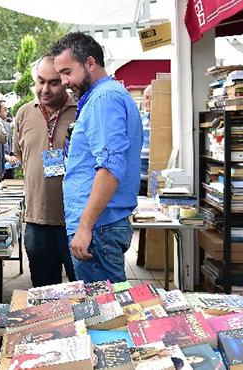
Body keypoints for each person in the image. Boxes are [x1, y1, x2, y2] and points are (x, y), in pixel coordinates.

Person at [50, 32, 142, 283]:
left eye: (68, 72)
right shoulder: (102, 96)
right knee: (103, 309)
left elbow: (110, 167)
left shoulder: (104, 98)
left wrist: (85, 226)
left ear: (90, 63)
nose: (64, 81)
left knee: (103, 314)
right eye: (61, 74)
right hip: (101, 226)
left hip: (99, 228)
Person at [12, 54, 77, 287]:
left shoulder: (80, 110)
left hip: (74, 222)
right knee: (44, 294)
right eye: (40, 81)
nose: (45, 89)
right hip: (36, 221)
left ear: (65, 81)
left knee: (81, 290)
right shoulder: (24, 113)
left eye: (54, 82)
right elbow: (20, 155)